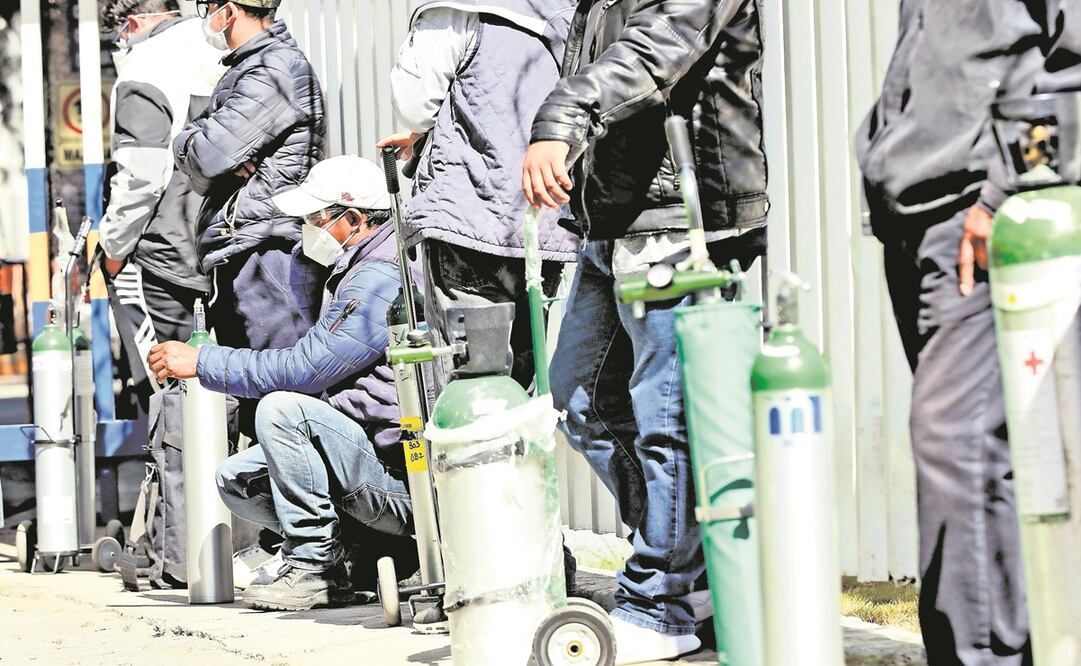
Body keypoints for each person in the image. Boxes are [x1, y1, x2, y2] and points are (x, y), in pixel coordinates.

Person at [521, 0, 769, 663]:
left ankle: (659, 603)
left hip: (678, 217)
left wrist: (561, 119)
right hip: (613, 218)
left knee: (668, 419)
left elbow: (654, 52)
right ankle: (697, 580)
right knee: (579, 398)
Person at [855, 1, 1052, 662]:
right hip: (915, 212)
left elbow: (1068, 61)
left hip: (974, 209)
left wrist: (1005, 189)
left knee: (953, 442)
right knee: (979, 460)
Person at [147, 155, 411, 612]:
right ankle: (348, 555)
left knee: (281, 410)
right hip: (362, 450)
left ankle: (315, 567)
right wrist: (310, 268)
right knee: (236, 480)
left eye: (315, 218)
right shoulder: (353, 267)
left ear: (355, 218)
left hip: (397, 479)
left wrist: (205, 362)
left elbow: (303, 370)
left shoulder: (378, 278)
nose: (306, 228)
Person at [377, 0, 579, 392]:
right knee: (517, 389)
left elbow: (414, 105)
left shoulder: (457, 7)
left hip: (470, 222)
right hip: (540, 226)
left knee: (473, 385)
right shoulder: (567, 12)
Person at [99, 0, 226, 589]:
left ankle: (182, 556)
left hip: (169, 250)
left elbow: (142, 171)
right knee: (234, 386)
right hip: (233, 247)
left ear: (127, 24)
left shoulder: (146, 64)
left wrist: (115, 243)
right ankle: (240, 543)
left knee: (173, 392)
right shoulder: (225, 45)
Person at [173, 0, 326, 438]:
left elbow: (205, 156)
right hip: (245, 243)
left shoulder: (272, 71)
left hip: (266, 249)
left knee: (281, 401)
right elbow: (196, 142)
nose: (207, 17)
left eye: (208, 6)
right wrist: (197, 142)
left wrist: (199, 145)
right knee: (257, 400)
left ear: (230, 10)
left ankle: (306, 504)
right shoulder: (249, 68)